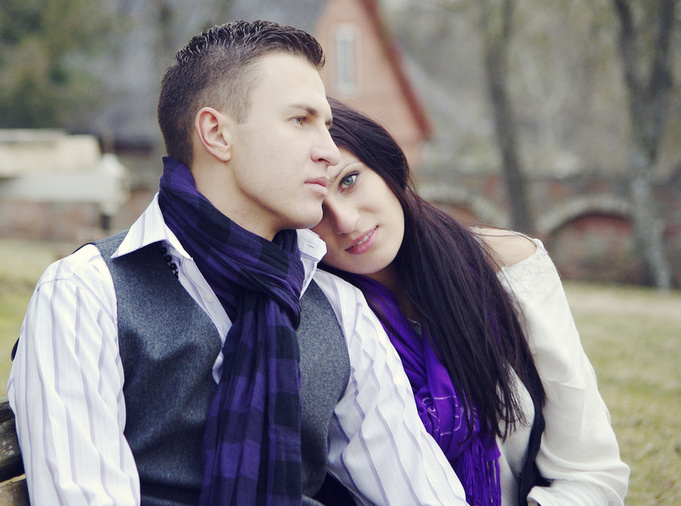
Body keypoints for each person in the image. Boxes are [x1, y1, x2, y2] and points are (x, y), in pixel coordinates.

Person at [7, 21, 467, 505]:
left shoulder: (340, 309)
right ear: (217, 134)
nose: (329, 153)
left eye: (327, 127)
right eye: (301, 120)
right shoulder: (85, 294)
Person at [311, 98, 631, 505]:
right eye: (316, 210)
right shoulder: (320, 317)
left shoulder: (509, 267)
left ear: (385, 165)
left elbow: (590, 469)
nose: (345, 221)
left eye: (350, 180)